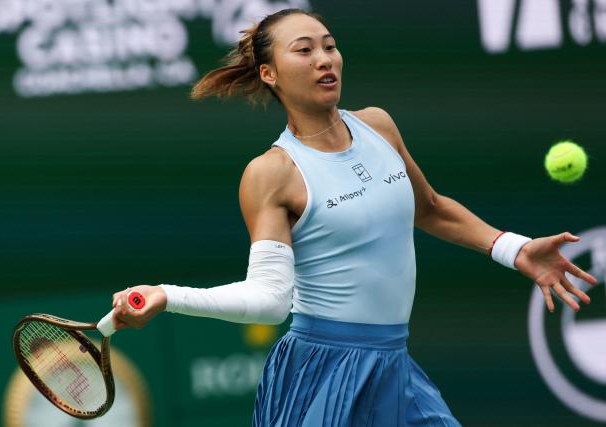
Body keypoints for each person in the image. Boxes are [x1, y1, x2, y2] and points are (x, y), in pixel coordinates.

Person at [108, 8, 598, 426]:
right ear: (269, 73)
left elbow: (429, 208)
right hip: (321, 370)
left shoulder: (378, 125)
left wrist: (515, 249)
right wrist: (166, 296)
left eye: (330, 46)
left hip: (395, 364)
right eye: (304, 50)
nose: (324, 59)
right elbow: (269, 299)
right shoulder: (271, 174)